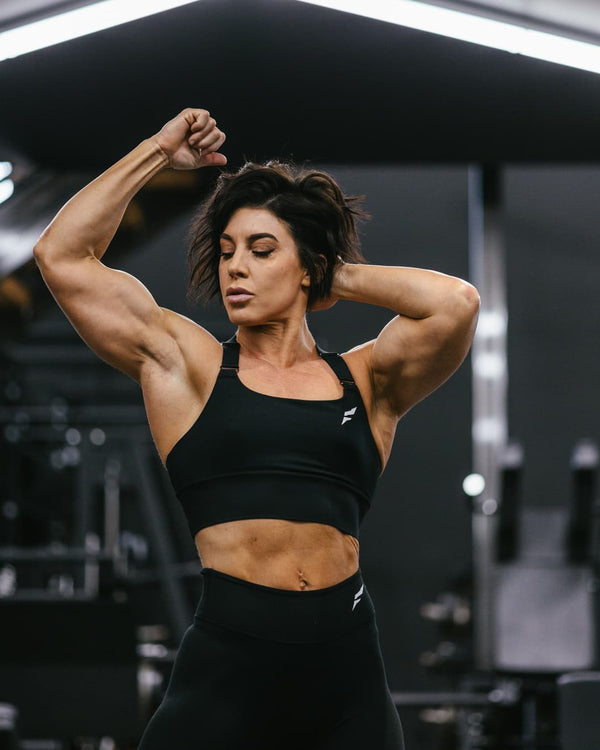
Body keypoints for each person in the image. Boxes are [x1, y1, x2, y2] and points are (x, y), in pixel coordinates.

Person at [34, 108, 480, 749]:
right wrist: (157, 152)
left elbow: (455, 303)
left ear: (305, 267)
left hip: (346, 668)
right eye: (226, 252)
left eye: (261, 250)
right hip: (230, 666)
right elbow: (63, 255)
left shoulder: (368, 381)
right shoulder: (186, 364)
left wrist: (333, 274)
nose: (235, 267)